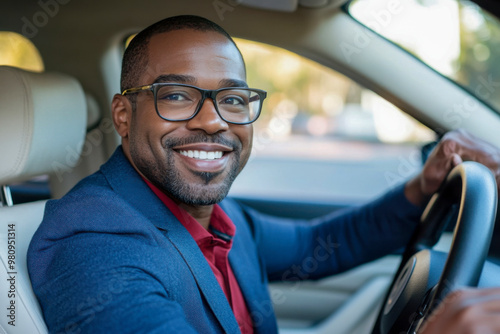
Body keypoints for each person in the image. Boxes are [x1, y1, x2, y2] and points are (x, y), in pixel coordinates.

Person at [27, 15, 500, 334]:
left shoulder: (221, 218)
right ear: (124, 115)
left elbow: (319, 247)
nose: (213, 121)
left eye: (233, 99)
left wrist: (423, 187)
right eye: (176, 95)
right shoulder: (91, 241)